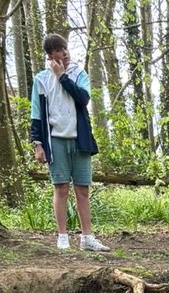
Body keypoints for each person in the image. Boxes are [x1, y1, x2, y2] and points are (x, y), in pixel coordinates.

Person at [29, 33, 109, 253]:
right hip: (55, 140)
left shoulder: (78, 74)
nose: (63, 53)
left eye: (64, 48)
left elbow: (83, 99)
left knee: (82, 189)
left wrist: (63, 77)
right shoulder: (41, 80)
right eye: (58, 50)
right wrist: (37, 144)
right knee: (61, 188)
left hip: (80, 138)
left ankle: (87, 237)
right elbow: (36, 113)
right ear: (50, 55)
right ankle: (62, 235)